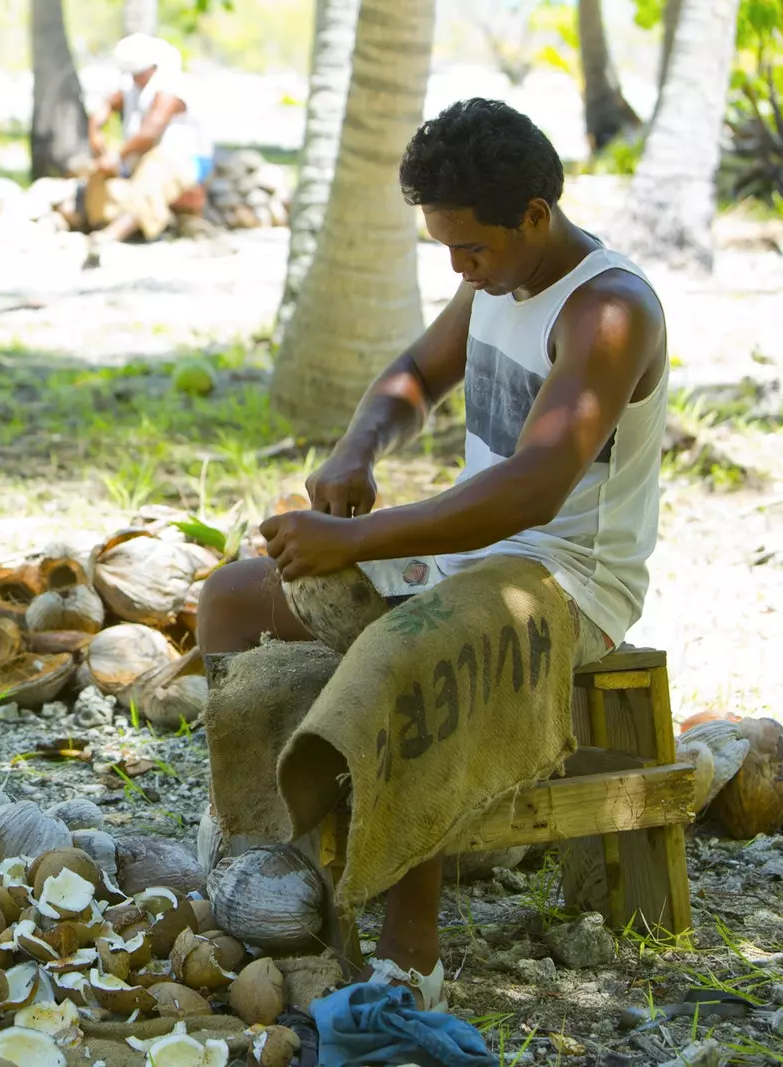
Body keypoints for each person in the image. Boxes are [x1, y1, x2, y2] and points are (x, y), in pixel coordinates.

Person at [196, 98, 668, 1006]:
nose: (460, 270)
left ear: (535, 214)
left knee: (404, 654)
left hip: (564, 582)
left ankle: (412, 955)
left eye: (473, 250)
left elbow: (531, 488)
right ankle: (251, 846)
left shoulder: (608, 310)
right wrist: (355, 449)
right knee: (232, 598)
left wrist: (358, 536)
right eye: (446, 250)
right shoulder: (499, 272)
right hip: (466, 553)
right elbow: (415, 375)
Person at [79, 34, 215, 268]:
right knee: (101, 178)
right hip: (143, 159)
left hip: (184, 159)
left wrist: (117, 156)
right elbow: (105, 108)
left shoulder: (171, 87)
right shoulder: (131, 86)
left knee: (153, 174)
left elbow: (151, 132)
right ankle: (123, 222)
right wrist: (96, 135)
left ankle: (110, 237)